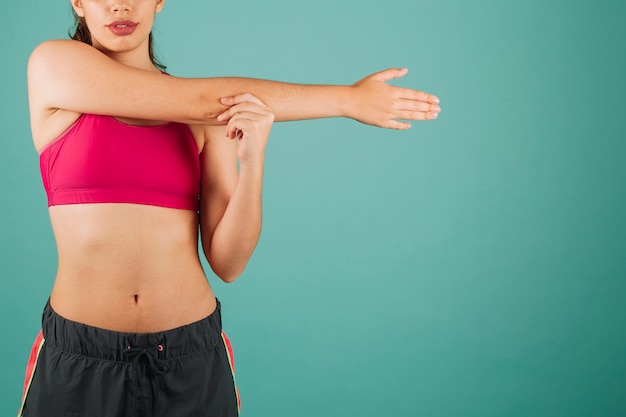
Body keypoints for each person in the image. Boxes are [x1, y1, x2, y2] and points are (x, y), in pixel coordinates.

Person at [18, 1, 441, 416]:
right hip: (80, 360)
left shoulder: (203, 119)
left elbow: (229, 263)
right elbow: (209, 99)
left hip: (190, 360)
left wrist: (252, 162)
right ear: (77, 3)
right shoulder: (55, 66)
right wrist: (347, 100)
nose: (120, 6)